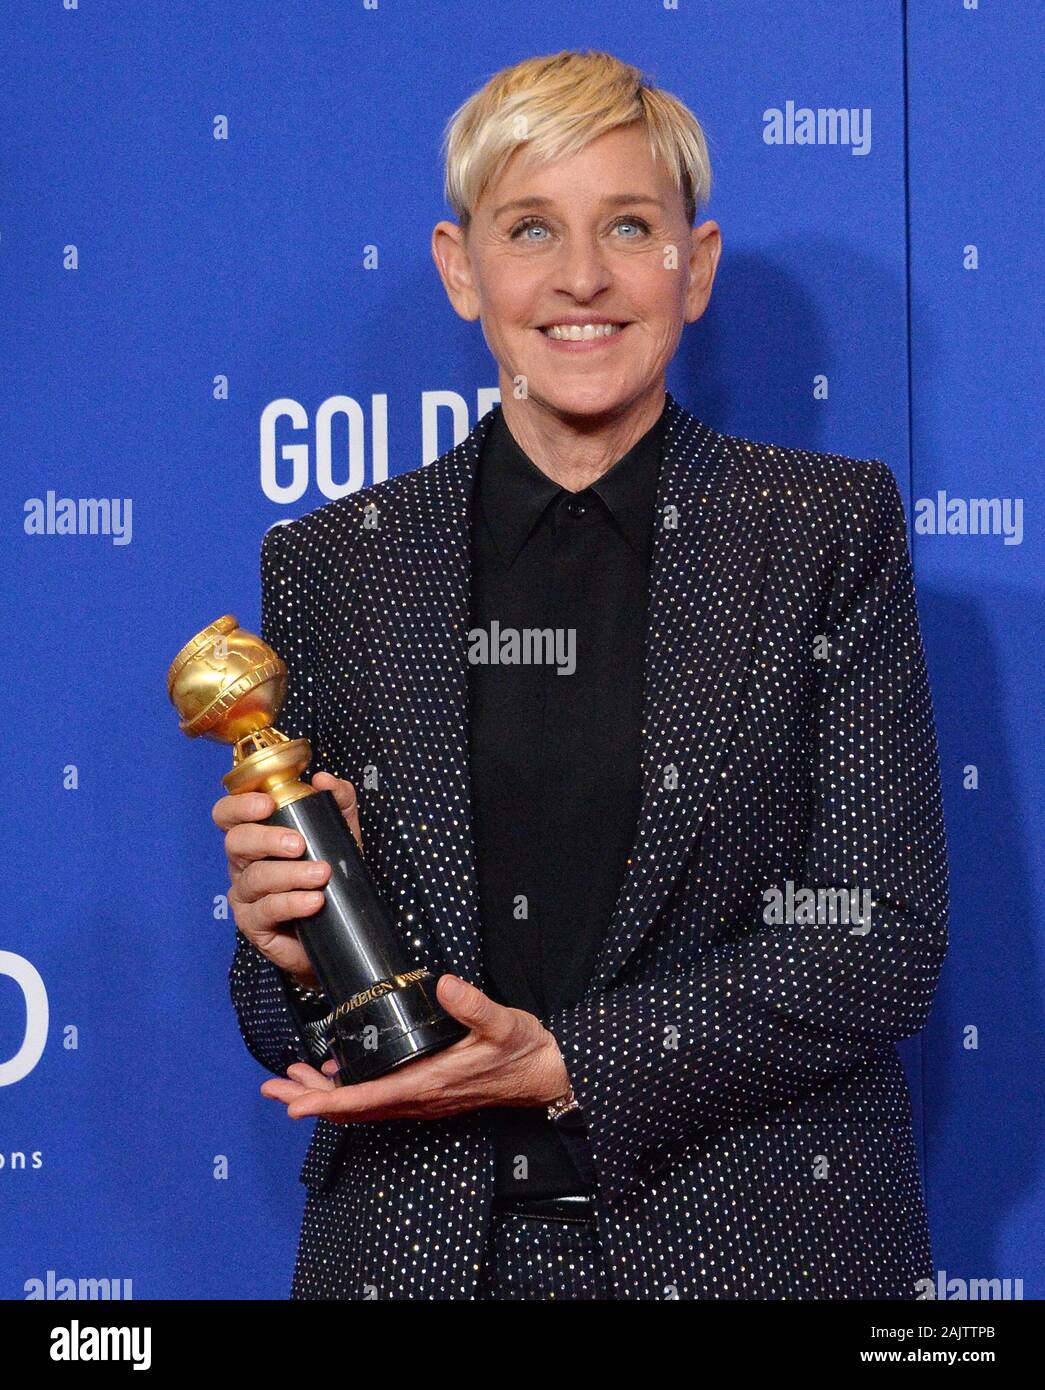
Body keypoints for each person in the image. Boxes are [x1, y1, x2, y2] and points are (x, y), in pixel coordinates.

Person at [211, 49, 948, 1301]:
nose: (581, 278)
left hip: (761, 1254)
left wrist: (567, 1060)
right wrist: (286, 948)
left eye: (628, 226)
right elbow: (295, 1021)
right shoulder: (334, 564)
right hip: (419, 1256)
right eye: (530, 228)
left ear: (694, 265)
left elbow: (881, 936)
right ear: (461, 269)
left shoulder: (823, 528)